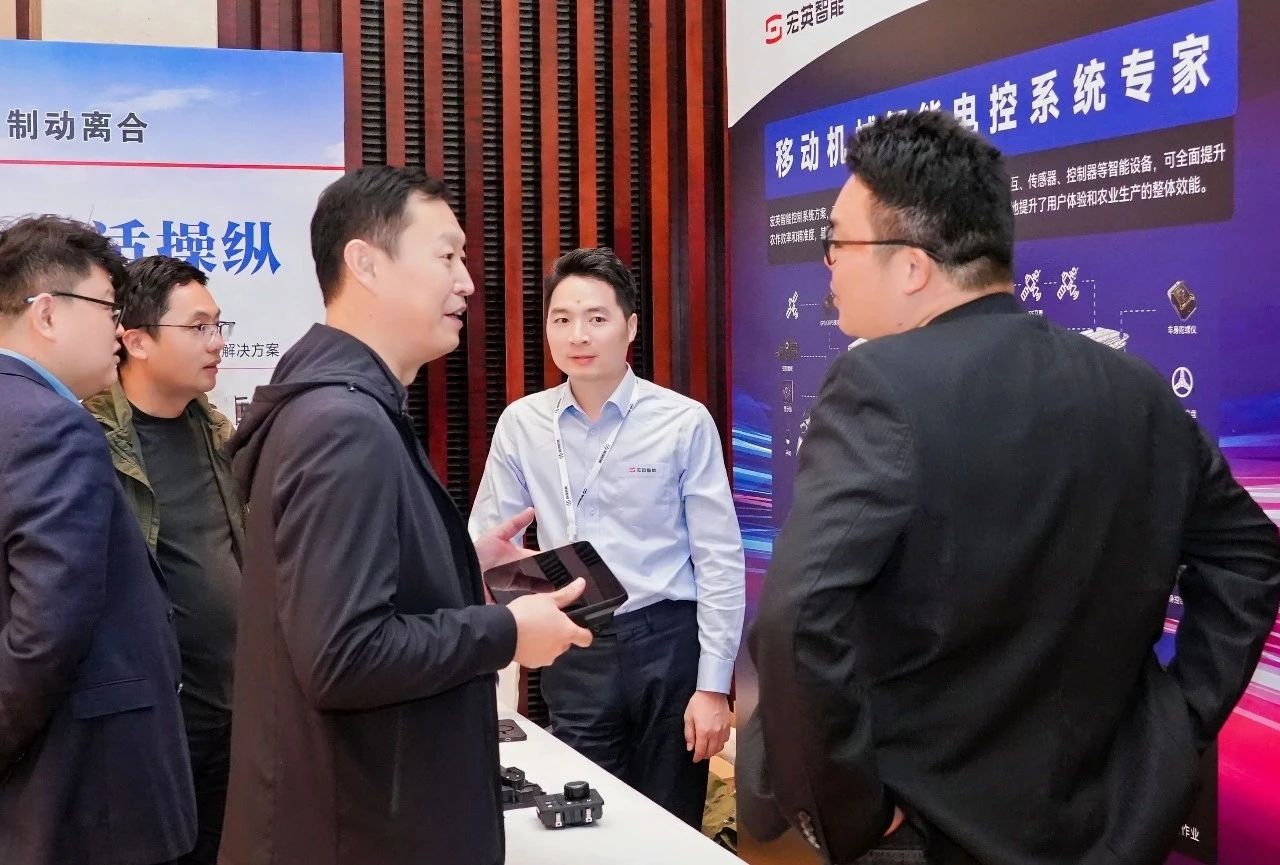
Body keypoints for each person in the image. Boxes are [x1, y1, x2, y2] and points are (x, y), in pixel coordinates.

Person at [737, 110, 1280, 865]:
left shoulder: (877, 385)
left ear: (912, 266)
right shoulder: (1136, 388)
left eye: (838, 242)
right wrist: (1180, 717)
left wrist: (853, 811)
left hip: (929, 828)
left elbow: (798, 618)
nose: (827, 266)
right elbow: (1249, 554)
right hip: (1111, 823)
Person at [218, 165, 592, 865]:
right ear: (366, 263)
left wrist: (459, 566)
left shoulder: (341, 406)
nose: (468, 282)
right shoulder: (343, 425)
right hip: (358, 832)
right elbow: (343, 656)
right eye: (447, 256)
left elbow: (336, 596)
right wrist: (507, 631)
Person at [469, 246, 745, 827]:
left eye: (596, 317)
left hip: (667, 641)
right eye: (562, 318)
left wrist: (713, 687)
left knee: (670, 825)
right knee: (584, 819)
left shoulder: (682, 420)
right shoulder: (522, 424)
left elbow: (719, 557)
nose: (578, 335)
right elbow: (490, 540)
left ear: (631, 327)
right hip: (575, 642)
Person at [0, 215, 196, 865]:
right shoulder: (53, 427)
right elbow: (46, 629)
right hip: (88, 793)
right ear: (46, 313)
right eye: (108, 307)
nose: (118, 329)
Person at [84, 256, 243, 865]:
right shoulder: (89, 441)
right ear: (137, 340)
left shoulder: (218, 433)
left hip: (233, 714)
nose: (217, 342)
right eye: (198, 327)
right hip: (151, 726)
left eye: (219, 325)